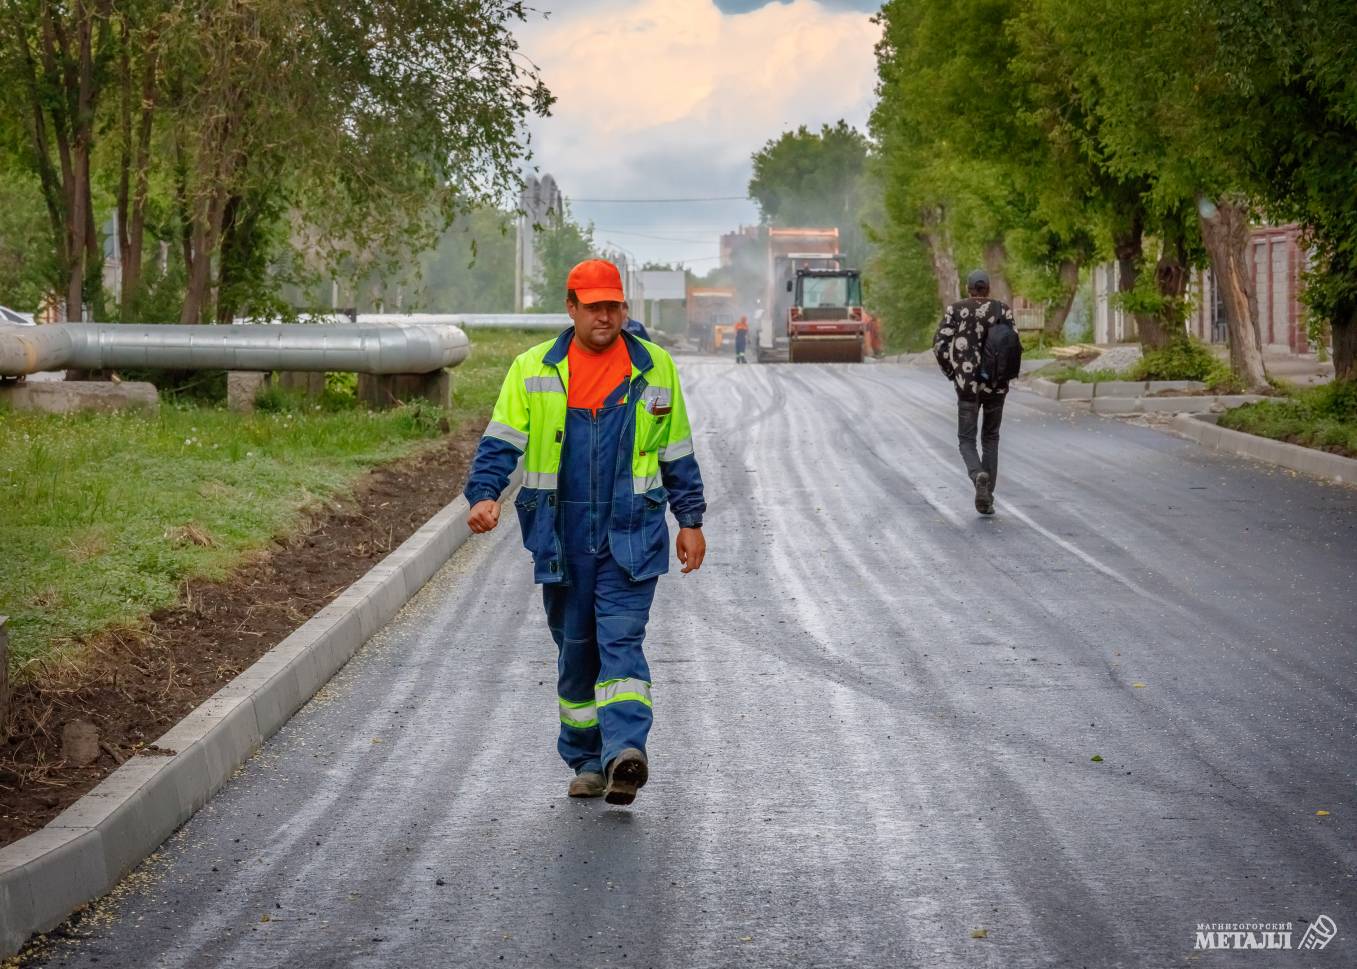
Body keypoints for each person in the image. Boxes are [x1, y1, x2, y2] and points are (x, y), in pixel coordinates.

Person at [464, 258, 707, 805]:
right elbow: (500, 442)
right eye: (594, 306)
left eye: (614, 306)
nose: (606, 316)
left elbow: (677, 451)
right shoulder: (534, 369)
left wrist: (689, 520)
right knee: (577, 651)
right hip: (561, 535)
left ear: (625, 307)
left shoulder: (654, 368)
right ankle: (586, 759)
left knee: (621, 643)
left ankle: (625, 752)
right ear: (571, 308)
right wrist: (483, 494)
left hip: (632, 532)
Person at [932, 269, 1019, 516]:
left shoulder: (956, 310)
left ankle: (977, 474)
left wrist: (952, 372)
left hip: (967, 385)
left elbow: (939, 345)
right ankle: (987, 498)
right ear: (988, 289)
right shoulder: (1002, 310)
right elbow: (1014, 346)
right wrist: (1006, 377)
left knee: (966, 439)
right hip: (996, 384)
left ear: (968, 289)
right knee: (990, 438)